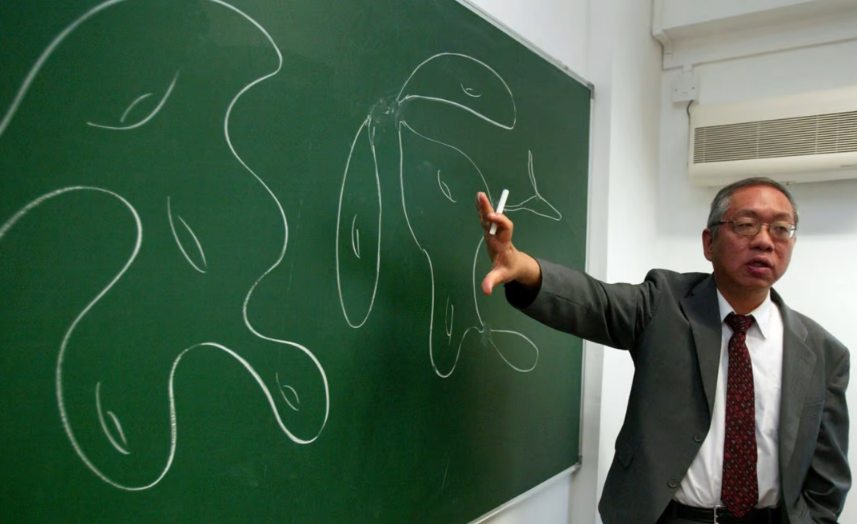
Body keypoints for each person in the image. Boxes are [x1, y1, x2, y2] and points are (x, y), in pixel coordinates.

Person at [475, 177, 850, 524]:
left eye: (781, 229)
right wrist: (521, 266)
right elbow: (596, 302)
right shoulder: (664, 304)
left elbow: (827, 477)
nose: (765, 241)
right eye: (746, 225)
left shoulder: (824, 354)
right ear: (709, 242)